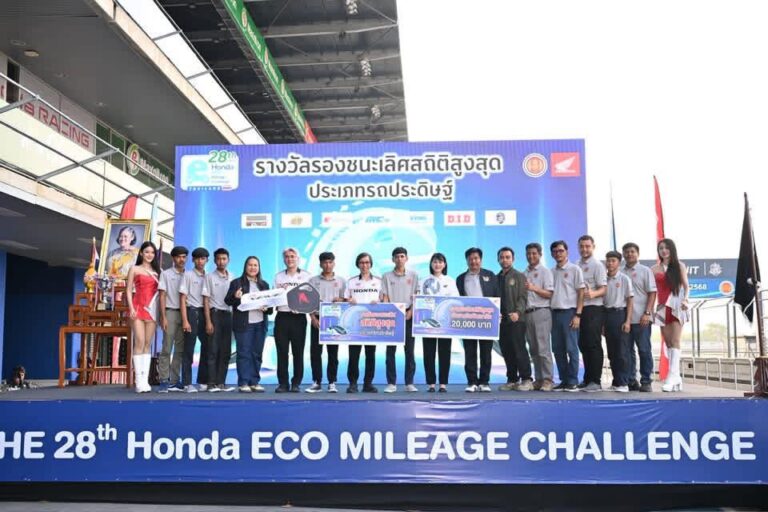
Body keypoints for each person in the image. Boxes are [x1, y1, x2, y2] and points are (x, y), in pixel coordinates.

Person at [225, 256, 271, 393]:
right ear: (245, 267)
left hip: (260, 324)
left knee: (257, 354)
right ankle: (243, 382)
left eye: (255, 265)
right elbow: (227, 301)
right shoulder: (236, 283)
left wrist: (266, 308)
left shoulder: (264, 285)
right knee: (244, 353)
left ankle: (254, 382)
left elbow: (270, 309)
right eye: (250, 265)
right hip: (244, 324)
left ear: (259, 268)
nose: (253, 268)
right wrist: (235, 296)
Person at [456, 247, 500, 393]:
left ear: (480, 260)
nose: (473, 261)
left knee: (486, 352)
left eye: (476, 258)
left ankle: (484, 382)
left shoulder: (490, 275)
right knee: (470, 351)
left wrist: (498, 313)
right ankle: (472, 382)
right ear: (467, 261)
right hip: (468, 320)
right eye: (470, 259)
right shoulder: (461, 278)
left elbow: (497, 295)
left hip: (487, 319)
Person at [652, 238, 689, 392]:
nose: (664, 250)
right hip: (661, 307)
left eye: (666, 248)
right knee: (668, 343)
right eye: (661, 248)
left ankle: (671, 376)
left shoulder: (679, 266)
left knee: (675, 340)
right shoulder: (654, 269)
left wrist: (685, 300)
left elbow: (686, 286)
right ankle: (676, 377)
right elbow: (652, 290)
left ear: (672, 249)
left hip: (676, 305)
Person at [273, 248, 312, 393]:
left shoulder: (307, 276)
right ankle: (283, 383)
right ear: (284, 259)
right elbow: (274, 296)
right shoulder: (278, 277)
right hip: (282, 317)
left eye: (292, 256)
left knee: (298, 352)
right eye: (287, 257)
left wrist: (302, 307)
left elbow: (310, 298)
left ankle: (296, 383)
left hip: (299, 318)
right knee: (282, 352)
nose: (290, 259)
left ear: (298, 259)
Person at [419, 252, 459, 393]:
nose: (437, 264)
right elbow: (418, 299)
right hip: (427, 322)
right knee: (428, 353)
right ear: (431, 264)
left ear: (444, 264)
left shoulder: (450, 280)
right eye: (435, 262)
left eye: (440, 262)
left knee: (445, 352)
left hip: (445, 322)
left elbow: (455, 300)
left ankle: (443, 384)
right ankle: (431, 383)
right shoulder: (423, 281)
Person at [381, 247, 419, 393]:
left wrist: (411, 311)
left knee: (409, 351)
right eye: (397, 256)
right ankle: (391, 383)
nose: (399, 259)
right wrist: (388, 313)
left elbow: (417, 296)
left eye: (402, 256)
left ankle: (409, 382)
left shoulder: (414, 275)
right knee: (390, 351)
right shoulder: (386, 276)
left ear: (406, 258)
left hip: (408, 315)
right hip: (392, 316)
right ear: (393, 259)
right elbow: (385, 296)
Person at [621, 242, 657, 392]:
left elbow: (652, 293)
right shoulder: (620, 271)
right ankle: (631, 380)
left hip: (642, 318)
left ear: (638, 253)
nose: (629, 254)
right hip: (625, 320)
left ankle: (646, 380)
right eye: (626, 252)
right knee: (627, 352)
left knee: (644, 350)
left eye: (632, 251)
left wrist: (647, 313)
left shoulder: (645, 271)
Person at [307, 252, 345, 393]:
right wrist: (313, 318)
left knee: (333, 352)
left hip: (334, 320)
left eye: (330, 262)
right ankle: (316, 382)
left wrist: (341, 300)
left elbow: (345, 300)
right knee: (315, 352)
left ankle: (332, 382)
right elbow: (308, 302)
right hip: (317, 319)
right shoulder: (313, 281)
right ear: (320, 264)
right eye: (325, 262)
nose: (327, 265)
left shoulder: (341, 281)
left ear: (334, 263)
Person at [125, 241, 161, 393]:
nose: (149, 255)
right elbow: (128, 290)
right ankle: (138, 380)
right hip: (138, 308)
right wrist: (131, 308)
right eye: (147, 252)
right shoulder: (134, 269)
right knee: (139, 341)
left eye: (152, 252)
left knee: (147, 343)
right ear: (141, 253)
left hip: (152, 311)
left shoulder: (158, 272)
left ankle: (145, 380)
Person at [550, 240, 585, 392]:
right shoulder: (551, 271)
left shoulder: (575, 269)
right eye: (555, 251)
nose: (558, 253)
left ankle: (572, 380)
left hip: (569, 313)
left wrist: (578, 314)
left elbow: (581, 292)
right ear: (552, 254)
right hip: (554, 314)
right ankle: (564, 380)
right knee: (558, 349)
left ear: (567, 252)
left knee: (571, 348)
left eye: (561, 251)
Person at [344, 252, 381, 393]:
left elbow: (384, 300)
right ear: (357, 265)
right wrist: (349, 300)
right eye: (361, 262)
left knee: (370, 354)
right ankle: (353, 383)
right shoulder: (351, 282)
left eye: (367, 262)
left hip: (372, 322)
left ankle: (368, 384)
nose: (364, 265)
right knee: (354, 355)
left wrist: (379, 301)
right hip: (355, 323)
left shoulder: (378, 281)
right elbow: (345, 299)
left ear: (371, 264)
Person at [497, 247, 532, 391]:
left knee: (519, 349)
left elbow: (523, 297)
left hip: (517, 320)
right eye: (502, 257)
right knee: (506, 350)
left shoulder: (519, 276)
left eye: (507, 257)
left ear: (513, 259)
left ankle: (527, 379)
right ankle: (512, 379)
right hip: (502, 321)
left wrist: (518, 312)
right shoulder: (496, 277)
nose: (504, 260)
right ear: (498, 260)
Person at [576, 235, 607, 392]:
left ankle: (596, 380)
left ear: (593, 247)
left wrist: (593, 294)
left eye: (587, 246)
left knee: (593, 344)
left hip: (593, 308)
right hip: (579, 309)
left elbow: (604, 288)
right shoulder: (576, 265)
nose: (584, 249)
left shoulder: (597, 265)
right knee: (583, 344)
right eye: (582, 246)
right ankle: (587, 378)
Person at [523, 243, 555, 391]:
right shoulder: (524, 273)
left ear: (540, 254)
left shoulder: (545, 272)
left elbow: (549, 294)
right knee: (533, 349)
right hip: (527, 313)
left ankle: (548, 379)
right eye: (528, 254)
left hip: (541, 311)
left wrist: (534, 288)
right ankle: (539, 379)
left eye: (534, 253)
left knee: (543, 348)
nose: (531, 256)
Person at [157, 245, 188, 393]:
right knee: (167, 347)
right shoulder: (166, 274)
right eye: (178, 257)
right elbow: (162, 295)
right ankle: (164, 379)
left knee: (180, 349)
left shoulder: (188, 275)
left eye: (184, 257)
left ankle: (175, 380)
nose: (181, 260)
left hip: (185, 314)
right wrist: (163, 316)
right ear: (173, 258)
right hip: (170, 312)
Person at [203, 248, 234, 392]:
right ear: (215, 261)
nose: (221, 261)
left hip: (228, 315)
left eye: (224, 259)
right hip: (214, 314)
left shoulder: (232, 277)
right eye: (219, 259)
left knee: (226, 351)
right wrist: (208, 321)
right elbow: (206, 300)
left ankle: (221, 382)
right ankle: (211, 382)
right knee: (213, 349)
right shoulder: (209, 277)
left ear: (228, 260)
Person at [180, 247, 210, 393]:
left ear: (207, 260)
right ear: (193, 260)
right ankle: (187, 383)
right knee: (189, 349)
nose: (200, 261)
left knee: (206, 347)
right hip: (191, 312)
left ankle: (203, 381)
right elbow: (182, 298)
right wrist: (185, 320)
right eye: (197, 258)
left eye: (203, 258)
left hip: (205, 313)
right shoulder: (188, 275)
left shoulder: (208, 276)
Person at [603, 251, 634, 393]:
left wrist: (627, 321)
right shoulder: (603, 279)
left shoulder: (624, 279)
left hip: (620, 314)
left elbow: (630, 301)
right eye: (608, 260)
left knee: (622, 351)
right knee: (611, 352)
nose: (610, 263)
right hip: (606, 315)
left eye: (613, 261)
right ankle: (616, 381)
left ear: (619, 262)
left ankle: (623, 382)